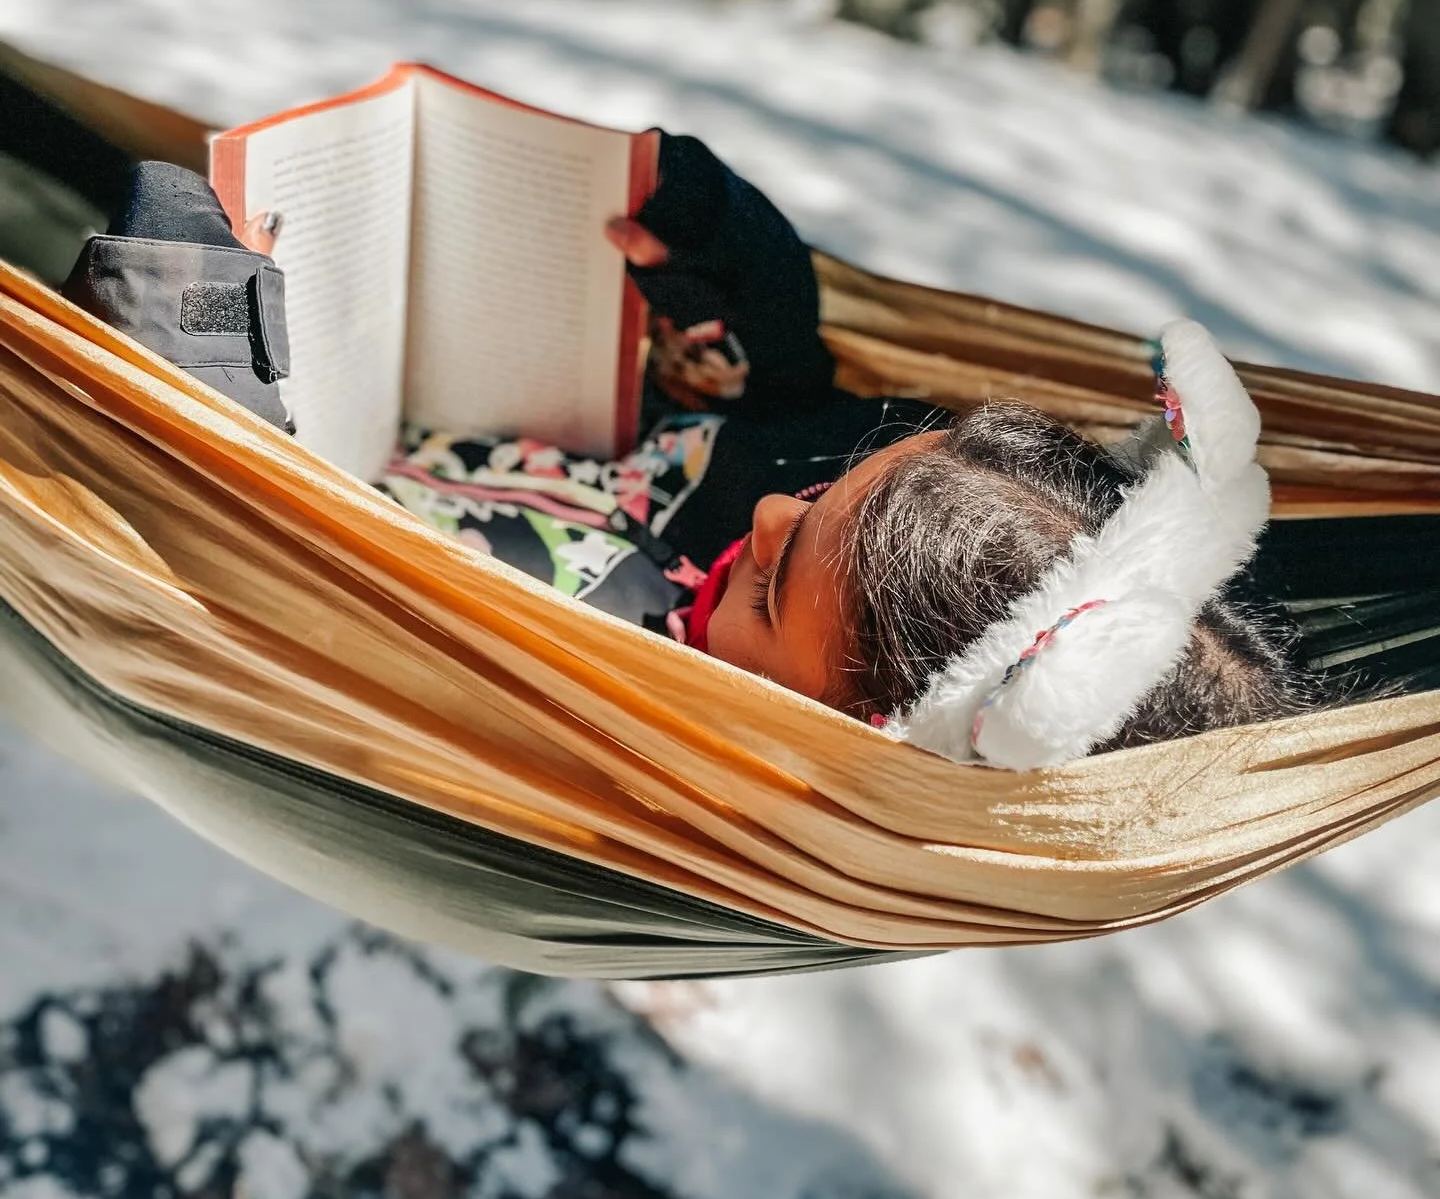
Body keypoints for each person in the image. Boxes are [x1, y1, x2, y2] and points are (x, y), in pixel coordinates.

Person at [60, 139, 1312, 768]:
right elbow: (796, 399)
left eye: (772, 589)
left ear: (854, 738)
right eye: (825, 489)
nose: (766, 518)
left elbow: (270, 593)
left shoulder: (608, 686)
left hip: (272, 461)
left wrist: (203, 353)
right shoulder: (796, 529)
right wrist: (737, 260)